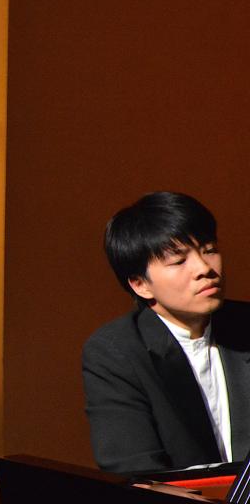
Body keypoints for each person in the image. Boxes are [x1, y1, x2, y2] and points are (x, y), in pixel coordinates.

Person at [83, 191, 250, 474]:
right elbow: (136, 470)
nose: (204, 269)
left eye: (209, 249)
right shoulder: (115, 352)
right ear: (140, 285)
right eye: (178, 261)